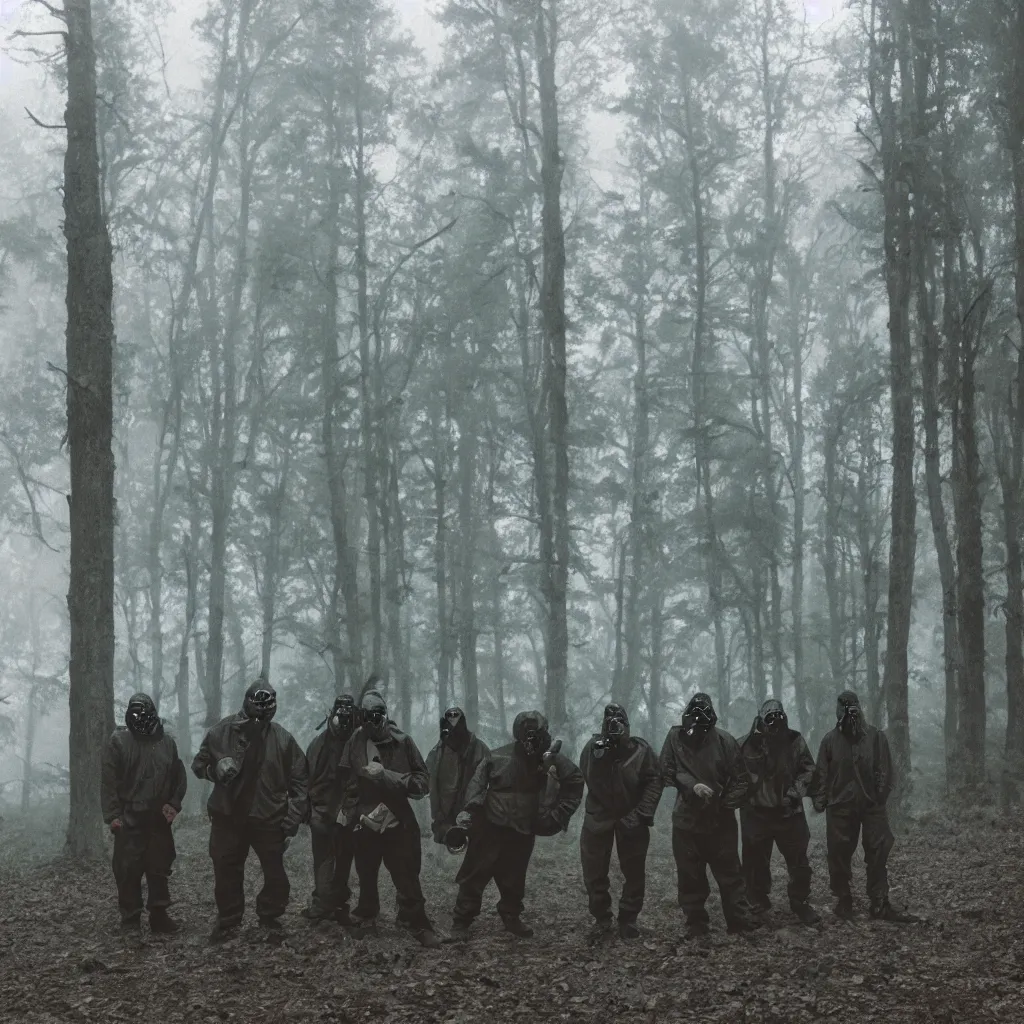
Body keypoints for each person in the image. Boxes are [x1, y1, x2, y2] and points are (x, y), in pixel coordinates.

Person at [448, 710, 584, 941]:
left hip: (523, 827)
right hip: (489, 826)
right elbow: (477, 785)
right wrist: (472, 811)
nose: (530, 739)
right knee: (475, 874)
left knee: (514, 877)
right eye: (526, 733)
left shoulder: (551, 759)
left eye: (536, 733)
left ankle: (511, 916)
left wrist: (556, 816)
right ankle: (462, 921)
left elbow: (575, 781)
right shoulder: (498, 756)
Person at [192, 679, 308, 942]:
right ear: (246, 702)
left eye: (268, 705)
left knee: (275, 874)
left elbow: (301, 781)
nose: (262, 710)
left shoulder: (283, 739)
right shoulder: (221, 731)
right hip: (228, 816)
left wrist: (290, 822)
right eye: (258, 704)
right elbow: (199, 764)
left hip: (268, 817)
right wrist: (216, 768)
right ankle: (229, 921)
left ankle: (269, 918)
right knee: (226, 871)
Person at [339, 686, 441, 948]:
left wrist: (386, 775)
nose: (374, 721)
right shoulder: (355, 741)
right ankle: (367, 914)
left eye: (379, 714)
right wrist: (350, 817)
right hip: (365, 821)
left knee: (406, 874)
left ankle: (414, 920)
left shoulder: (403, 741)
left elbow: (422, 783)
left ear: (386, 714)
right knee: (366, 871)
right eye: (368, 715)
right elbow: (348, 781)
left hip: (398, 821)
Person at [810, 690, 916, 923]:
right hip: (840, 806)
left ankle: (879, 902)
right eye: (845, 708)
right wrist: (821, 800)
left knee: (878, 851)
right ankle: (843, 899)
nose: (850, 714)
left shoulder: (876, 737)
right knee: (838, 852)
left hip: (871, 805)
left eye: (853, 707)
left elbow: (885, 769)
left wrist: (879, 797)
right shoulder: (830, 740)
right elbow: (821, 773)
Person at [660, 692, 759, 938]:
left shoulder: (725, 741)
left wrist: (722, 803)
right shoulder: (675, 737)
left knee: (730, 875)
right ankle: (696, 924)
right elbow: (665, 770)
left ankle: (738, 922)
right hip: (686, 820)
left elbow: (742, 781)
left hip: (720, 822)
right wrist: (692, 786)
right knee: (690, 875)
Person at [101, 693, 187, 934]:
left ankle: (159, 916)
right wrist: (113, 815)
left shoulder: (167, 743)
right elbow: (108, 781)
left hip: (158, 818)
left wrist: (174, 803)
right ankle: (130, 920)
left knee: (159, 867)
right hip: (130, 817)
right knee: (127, 870)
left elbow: (178, 777)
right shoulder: (118, 741)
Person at [579, 703, 663, 940]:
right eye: (610, 723)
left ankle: (628, 918)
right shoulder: (593, 748)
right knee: (594, 870)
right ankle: (602, 918)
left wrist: (640, 813)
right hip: (599, 815)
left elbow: (654, 780)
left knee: (634, 870)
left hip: (632, 814)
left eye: (619, 723)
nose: (614, 727)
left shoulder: (640, 750)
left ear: (627, 726)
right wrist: (604, 753)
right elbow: (588, 775)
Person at [738, 698, 820, 926]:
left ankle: (800, 902)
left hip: (788, 813)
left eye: (779, 715)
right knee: (754, 863)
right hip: (757, 814)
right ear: (760, 718)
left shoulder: (794, 741)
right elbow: (733, 775)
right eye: (769, 716)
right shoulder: (745, 745)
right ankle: (757, 902)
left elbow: (808, 769)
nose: (775, 721)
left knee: (799, 862)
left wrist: (794, 793)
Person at [303, 694, 359, 924]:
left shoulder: (360, 742)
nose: (343, 720)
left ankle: (336, 903)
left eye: (348, 715)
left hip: (348, 814)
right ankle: (323, 904)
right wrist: (309, 810)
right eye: (340, 715)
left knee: (344, 861)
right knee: (324, 861)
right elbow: (306, 778)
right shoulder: (319, 744)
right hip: (324, 813)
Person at [426, 706, 490, 854]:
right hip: (446, 814)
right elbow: (428, 778)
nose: (452, 717)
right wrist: (438, 813)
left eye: (456, 714)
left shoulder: (478, 747)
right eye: (448, 715)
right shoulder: (438, 751)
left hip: (472, 812)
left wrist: (475, 806)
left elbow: (488, 781)